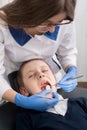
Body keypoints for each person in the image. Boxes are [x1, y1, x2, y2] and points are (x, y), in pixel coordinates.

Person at [0, 0, 77, 110]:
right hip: (11, 86)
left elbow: (67, 52)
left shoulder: (62, 16)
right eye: (47, 23)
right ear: (27, 13)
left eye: (57, 23)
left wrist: (71, 69)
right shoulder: (2, 26)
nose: (52, 29)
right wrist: (21, 100)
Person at [16, 59, 87, 130]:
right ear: (24, 91)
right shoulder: (26, 118)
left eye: (44, 70)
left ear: (55, 79)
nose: (41, 74)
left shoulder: (81, 103)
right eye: (31, 75)